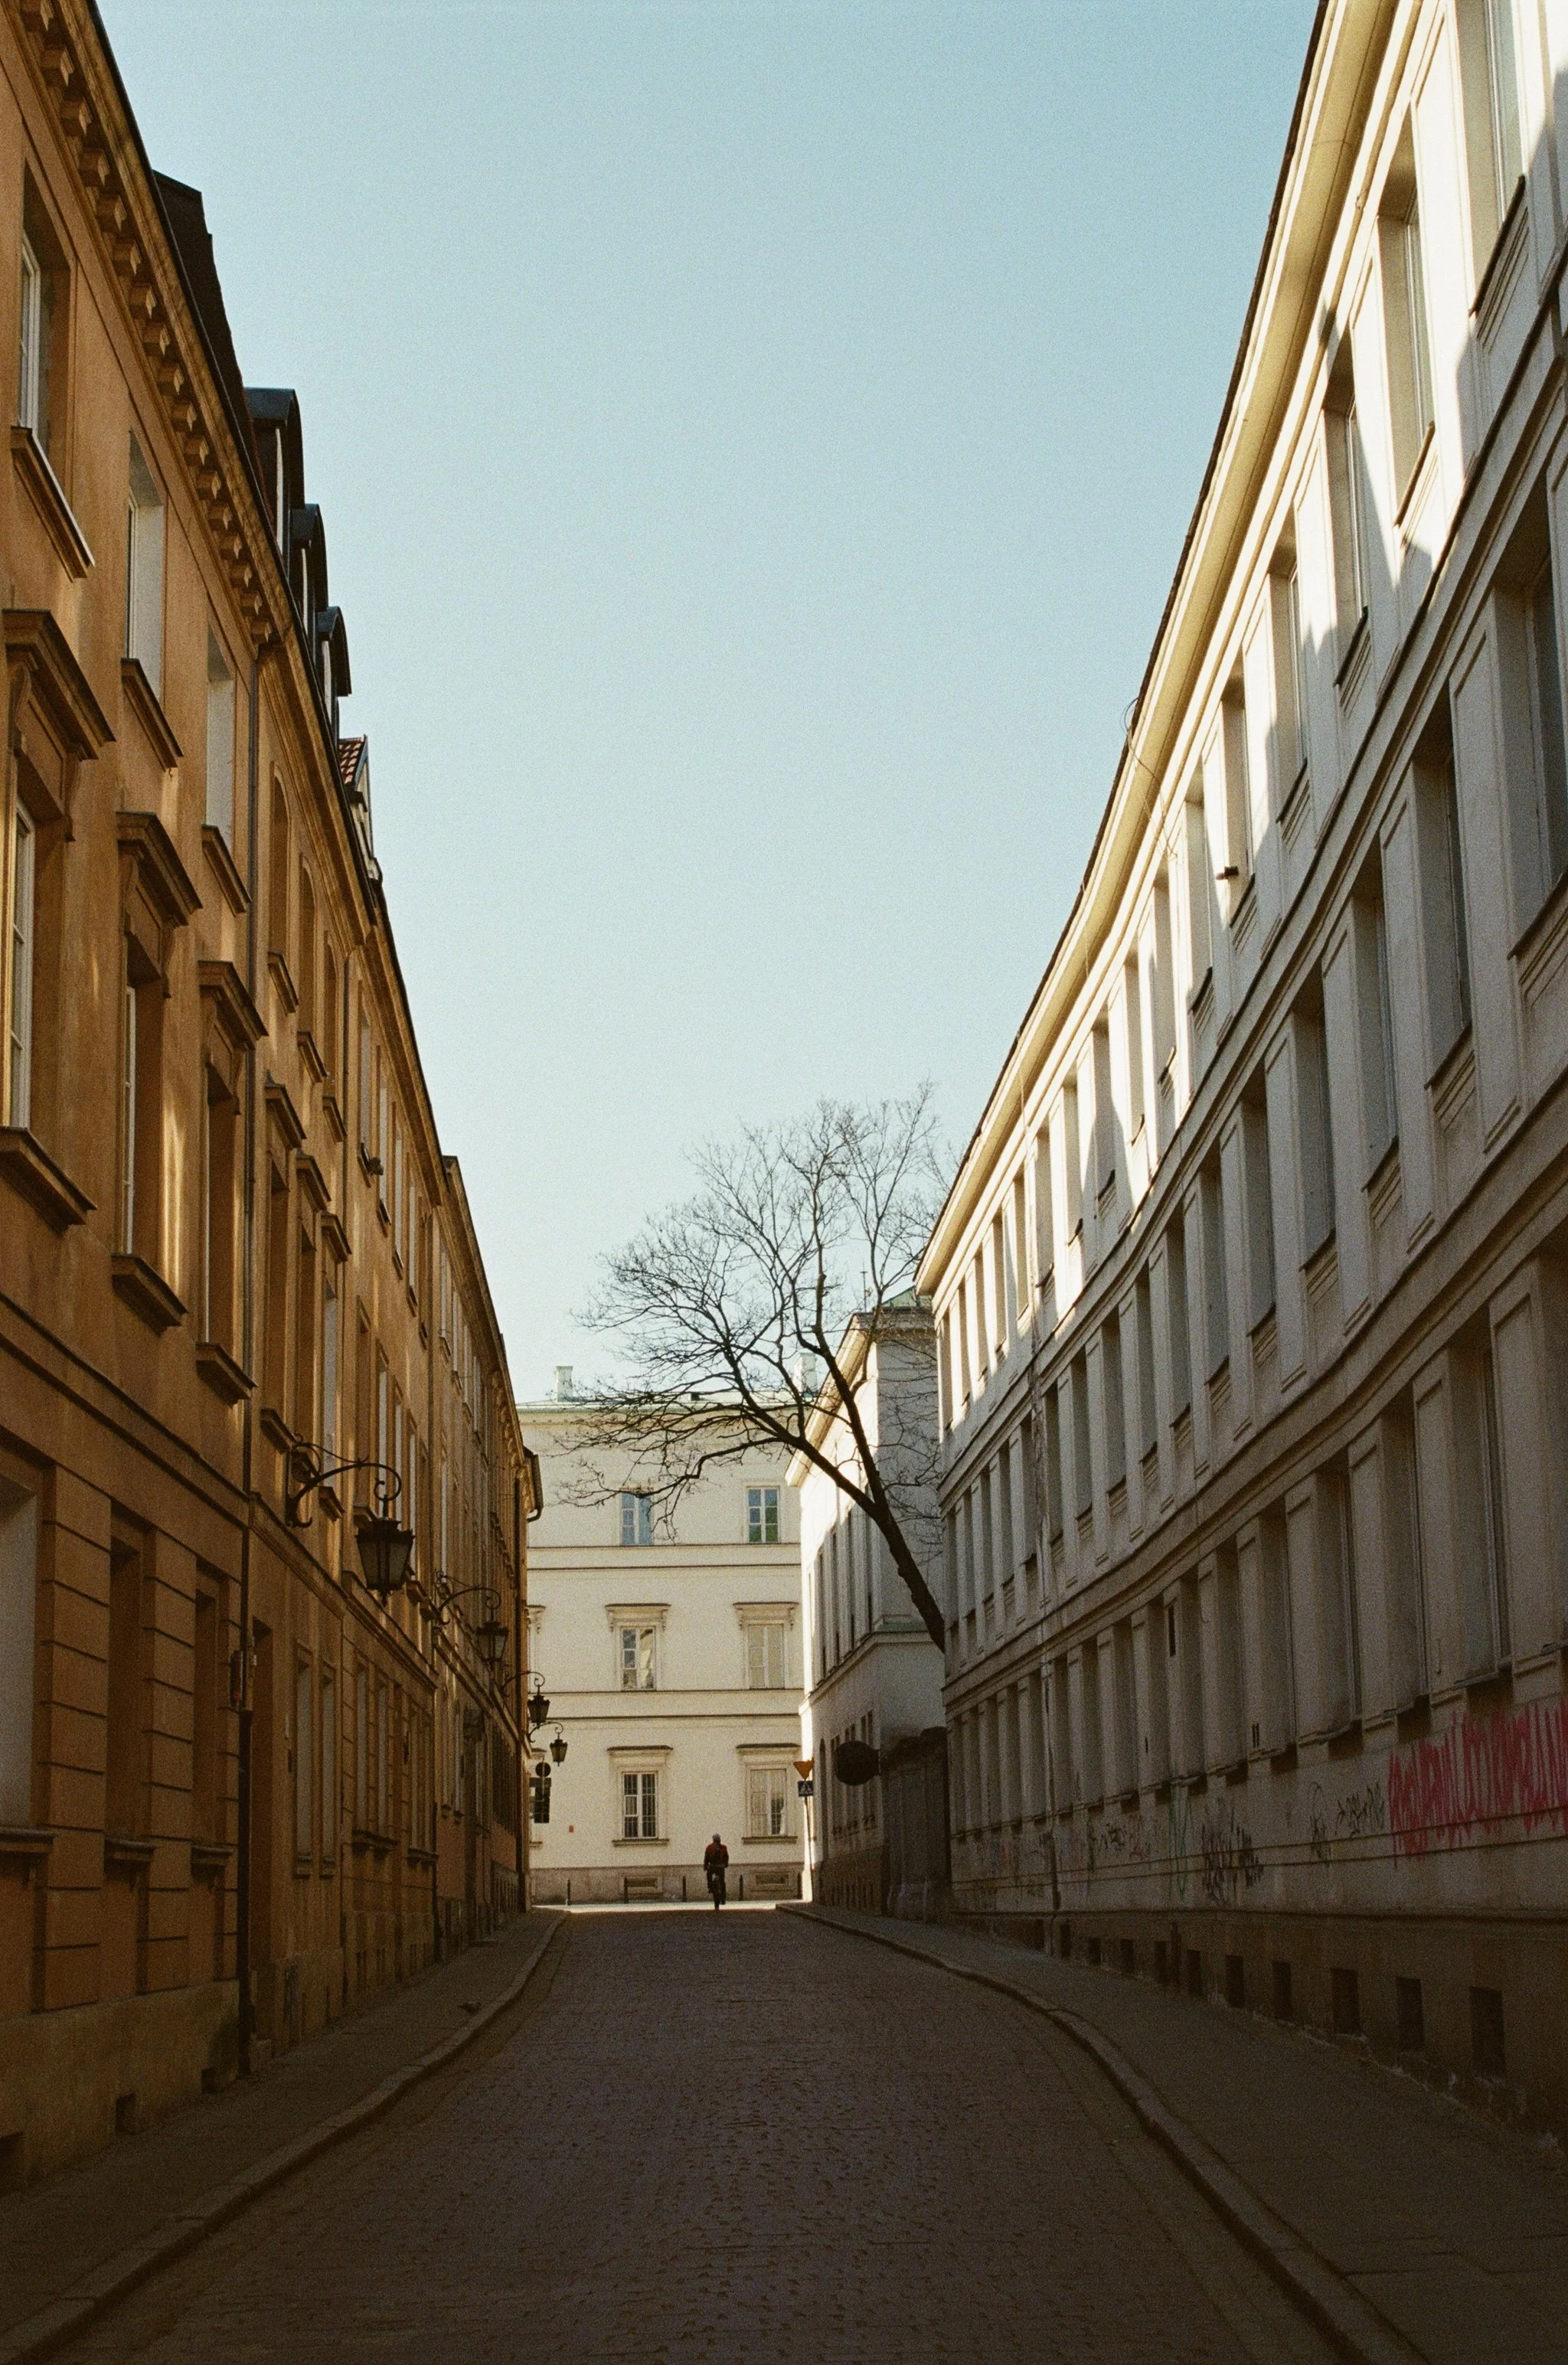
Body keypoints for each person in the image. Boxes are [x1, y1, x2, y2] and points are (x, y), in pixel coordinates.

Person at [703, 1832, 729, 1909]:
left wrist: (705, 1866)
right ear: (719, 1840)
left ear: (713, 1840)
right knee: (722, 1882)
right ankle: (723, 1898)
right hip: (720, 1867)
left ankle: (710, 1887)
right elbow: (726, 1857)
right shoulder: (724, 1847)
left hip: (712, 1867)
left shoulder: (709, 1847)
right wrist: (726, 1864)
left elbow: (706, 1858)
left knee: (709, 1875)